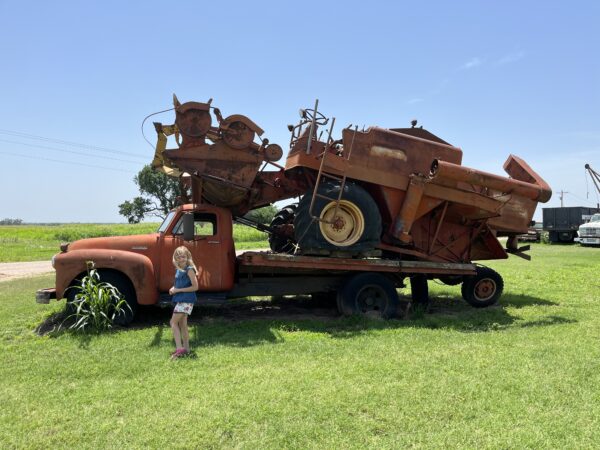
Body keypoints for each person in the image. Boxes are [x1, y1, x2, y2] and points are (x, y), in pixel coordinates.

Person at [169, 246, 199, 359]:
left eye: (183, 256)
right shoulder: (178, 269)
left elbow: (195, 287)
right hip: (181, 300)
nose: (181, 259)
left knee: (173, 322)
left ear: (187, 257)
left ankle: (179, 349)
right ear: (175, 257)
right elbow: (179, 284)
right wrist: (173, 288)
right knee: (182, 324)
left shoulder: (189, 269)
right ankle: (186, 349)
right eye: (178, 256)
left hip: (186, 300)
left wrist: (178, 290)